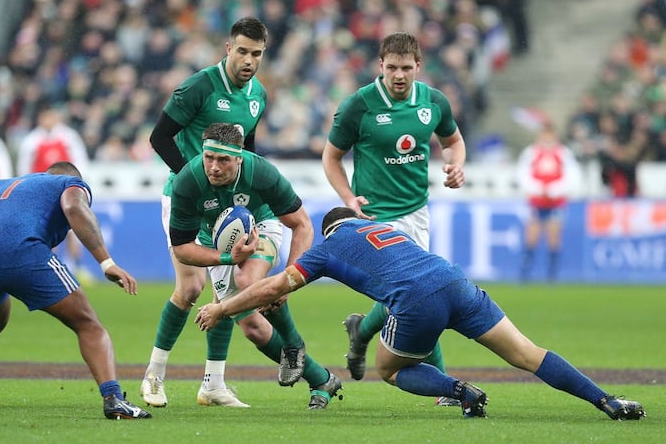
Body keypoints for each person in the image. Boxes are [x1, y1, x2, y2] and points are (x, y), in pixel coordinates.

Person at [196, 207, 647, 421]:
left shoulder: (328, 248)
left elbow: (273, 286)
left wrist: (221, 307)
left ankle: (460, 391)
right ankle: (608, 400)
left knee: (389, 368)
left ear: (331, 229)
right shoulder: (382, 227)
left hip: (416, 300)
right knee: (528, 353)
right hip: (454, 279)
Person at [0, 161, 151, 420]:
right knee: (88, 324)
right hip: (22, 252)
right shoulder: (69, 183)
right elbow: (73, 206)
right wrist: (107, 262)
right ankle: (114, 399)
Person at [320, 31, 465, 405]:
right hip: (377, 215)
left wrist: (456, 166)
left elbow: (453, 141)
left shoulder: (433, 102)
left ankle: (361, 333)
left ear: (418, 66)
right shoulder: (359, 105)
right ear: (379, 66)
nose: (399, 75)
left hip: (418, 211)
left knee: (410, 295)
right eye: (391, 68)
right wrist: (349, 198)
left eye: (406, 68)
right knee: (421, 294)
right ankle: (445, 386)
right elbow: (331, 157)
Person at [157, 122, 342, 410]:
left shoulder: (261, 172)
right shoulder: (187, 180)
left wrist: (289, 280)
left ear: (239, 157)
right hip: (216, 241)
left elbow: (302, 224)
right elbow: (182, 249)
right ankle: (321, 378)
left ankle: (292, 344)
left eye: (224, 160)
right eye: (209, 158)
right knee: (253, 327)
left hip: (261, 224)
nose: (214, 167)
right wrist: (228, 258)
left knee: (247, 282)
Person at [142, 17, 274, 408]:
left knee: (228, 291)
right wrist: (192, 179)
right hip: (184, 198)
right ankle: (153, 376)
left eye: (257, 54)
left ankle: (213, 384)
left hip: (228, 205)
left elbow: (246, 154)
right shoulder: (200, 85)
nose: (249, 60)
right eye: (243, 51)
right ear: (228, 48)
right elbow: (159, 136)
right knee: (190, 288)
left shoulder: (258, 96)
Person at [16, 104, 91, 280]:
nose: (48, 120)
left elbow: (81, 162)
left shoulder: (69, 137)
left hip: (67, 190)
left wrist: (79, 186)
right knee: (46, 230)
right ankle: (50, 266)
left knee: (74, 228)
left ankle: (76, 267)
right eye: (45, 117)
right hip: (42, 194)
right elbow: (24, 169)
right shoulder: (31, 141)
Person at [516, 121, 580, 281]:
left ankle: (552, 274)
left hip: (556, 202)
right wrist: (538, 189)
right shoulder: (531, 153)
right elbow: (523, 175)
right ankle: (525, 271)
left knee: (554, 237)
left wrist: (554, 190)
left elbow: (572, 177)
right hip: (537, 201)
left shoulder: (564, 153)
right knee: (532, 236)